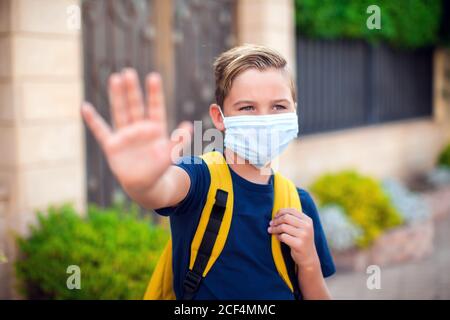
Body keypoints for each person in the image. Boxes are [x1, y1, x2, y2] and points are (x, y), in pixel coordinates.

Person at [81, 44, 335, 300]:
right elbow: (164, 189)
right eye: (247, 108)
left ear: (294, 111)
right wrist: (143, 183)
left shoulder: (299, 203)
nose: (265, 119)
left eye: (279, 107)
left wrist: (309, 263)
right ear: (219, 117)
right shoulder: (200, 178)